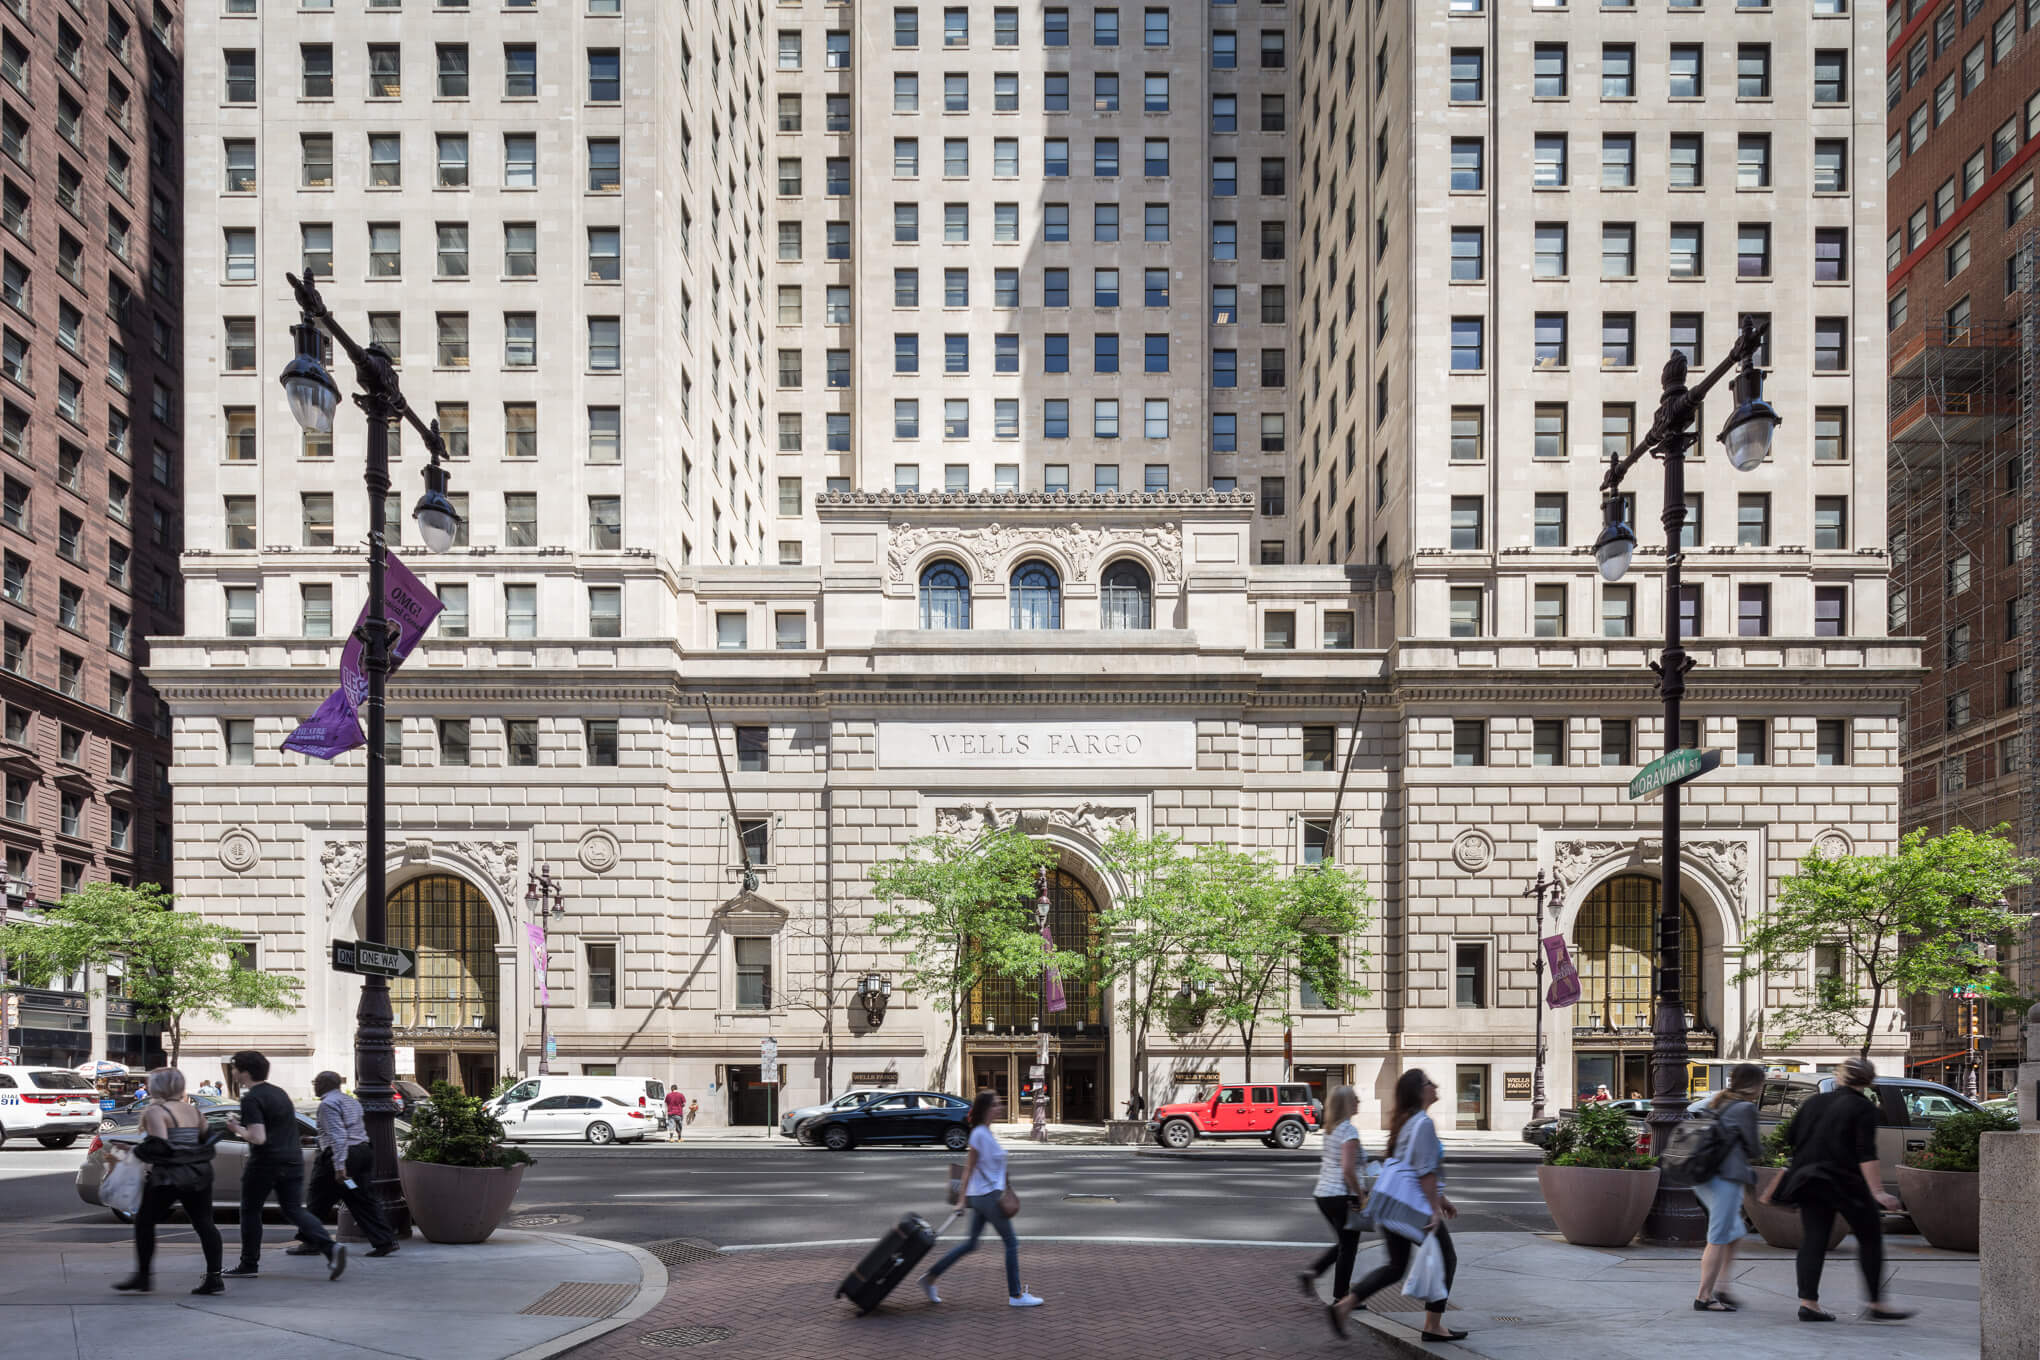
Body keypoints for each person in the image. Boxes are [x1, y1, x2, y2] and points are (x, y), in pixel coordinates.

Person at [1762, 1056, 1913, 1323]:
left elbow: (1792, 1140)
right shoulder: (1863, 1107)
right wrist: (1878, 1192)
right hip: (1845, 1182)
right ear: (1868, 1081)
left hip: (1809, 1180)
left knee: (1814, 1240)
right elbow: (1865, 1152)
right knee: (1869, 1237)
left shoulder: (1814, 1102)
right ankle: (1876, 1302)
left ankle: (1808, 1303)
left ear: (1840, 1077)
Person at [1328, 1069, 1464, 1343]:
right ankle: (1433, 1325)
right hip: (1414, 1208)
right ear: (1418, 1091)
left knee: (1396, 1266)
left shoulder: (1407, 1122)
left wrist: (1443, 1200)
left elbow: (1412, 1168)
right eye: (1428, 1082)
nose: (1434, 1085)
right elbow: (1425, 1173)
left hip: (1393, 1204)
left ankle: (1344, 1305)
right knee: (1447, 1259)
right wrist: (1433, 1210)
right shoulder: (1423, 1123)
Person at [222, 1050, 346, 1281]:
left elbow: (258, 1137)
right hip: (292, 1158)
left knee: (250, 1210)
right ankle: (330, 1247)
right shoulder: (279, 1093)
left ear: (245, 1072)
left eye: (236, 1069)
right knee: (293, 1209)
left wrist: (236, 1128)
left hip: (265, 1162)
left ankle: (248, 1264)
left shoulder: (251, 1098)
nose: (235, 1073)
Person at [919, 1089, 1042, 1308]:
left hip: (985, 1195)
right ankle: (1016, 1295)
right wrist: (961, 1200)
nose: (1000, 1107)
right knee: (1012, 1243)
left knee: (971, 1244)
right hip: (986, 1197)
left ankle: (930, 1278)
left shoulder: (985, 1132)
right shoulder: (978, 1134)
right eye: (995, 1104)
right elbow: (969, 1168)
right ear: (986, 1109)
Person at [113, 1067, 227, 1295]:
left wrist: (134, 1150)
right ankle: (215, 1277)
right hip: (199, 1174)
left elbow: (160, 1145)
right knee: (205, 1224)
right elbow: (209, 1139)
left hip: (170, 1176)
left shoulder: (157, 1111)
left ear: (158, 1086)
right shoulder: (194, 1111)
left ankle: (143, 1277)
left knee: (145, 1221)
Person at [298, 1071, 398, 1259]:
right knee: (362, 1199)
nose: (314, 1085)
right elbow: (348, 1130)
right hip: (362, 1152)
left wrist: (340, 1167)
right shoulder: (351, 1101)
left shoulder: (327, 1104)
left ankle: (310, 1242)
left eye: (316, 1082)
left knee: (318, 1199)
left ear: (323, 1084)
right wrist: (314, 1139)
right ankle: (385, 1241)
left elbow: (338, 1136)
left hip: (343, 1157)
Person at [1692, 1062, 1764, 1312]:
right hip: (1725, 1178)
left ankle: (1723, 1286)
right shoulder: (1745, 1108)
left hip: (1702, 1176)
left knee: (1734, 1231)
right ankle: (1704, 1296)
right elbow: (1754, 1148)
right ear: (1755, 1085)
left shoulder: (1717, 1101)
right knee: (1720, 1235)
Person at [1300, 1084, 1366, 1302]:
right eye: (1355, 1099)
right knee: (1349, 1248)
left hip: (1324, 1194)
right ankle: (1341, 1298)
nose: (1359, 1102)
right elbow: (1347, 1169)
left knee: (1343, 1243)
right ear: (1347, 1104)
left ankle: (1313, 1272)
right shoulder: (1348, 1130)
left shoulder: (1331, 1130)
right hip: (1342, 1195)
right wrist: (1361, 1196)